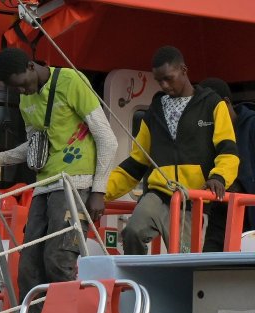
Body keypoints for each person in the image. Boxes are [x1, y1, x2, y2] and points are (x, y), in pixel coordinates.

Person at [0, 47, 116, 313]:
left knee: (58, 260)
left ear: (31, 67)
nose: (21, 92)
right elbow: (33, 148)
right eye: (15, 89)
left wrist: (98, 190)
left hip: (74, 183)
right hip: (44, 187)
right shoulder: (26, 100)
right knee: (29, 267)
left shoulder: (71, 81)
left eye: (22, 85)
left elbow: (106, 138)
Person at [105, 46, 239, 254]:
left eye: (168, 78)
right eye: (159, 81)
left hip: (193, 199)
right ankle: (140, 281)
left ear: (184, 70)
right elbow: (137, 162)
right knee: (132, 231)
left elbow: (228, 150)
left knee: (184, 258)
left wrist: (219, 177)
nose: (164, 85)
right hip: (158, 193)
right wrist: (101, 191)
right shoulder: (154, 112)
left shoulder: (212, 104)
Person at [198, 78, 255, 251]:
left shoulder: (252, 125)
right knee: (209, 261)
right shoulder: (207, 133)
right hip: (221, 206)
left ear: (226, 103)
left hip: (249, 210)